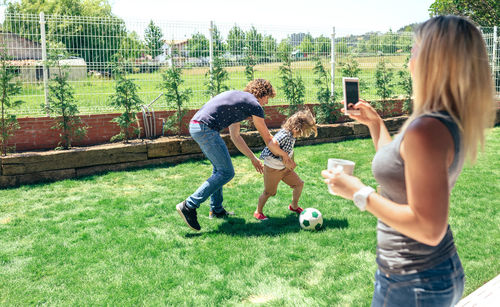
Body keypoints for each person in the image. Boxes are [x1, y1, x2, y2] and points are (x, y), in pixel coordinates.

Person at [321, 16, 495, 307]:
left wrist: (358, 192)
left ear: (432, 62)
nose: (408, 61)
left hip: (411, 282)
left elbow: (428, 227)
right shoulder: (445, 121)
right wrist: (375, 125)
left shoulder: (426, 129)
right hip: (432, 274)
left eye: (414, 51)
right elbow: (403, 169)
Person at [177, 79, 295, 231]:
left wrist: (253, 158)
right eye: (267, 98)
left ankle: (217, 209)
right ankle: (189, 205)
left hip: (197, 126)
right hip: (205, 129)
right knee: (226, 172)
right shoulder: (254, 104)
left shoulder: (239, 101)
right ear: (262, 94)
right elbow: (268, 138)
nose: (266, 103)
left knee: (219, 170)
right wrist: (284, 155)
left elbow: (235, 136)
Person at [254, 109, 317, 220]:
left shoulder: (292, 136)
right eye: (303, 131)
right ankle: (258, 212)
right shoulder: (285, 135)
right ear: (297, 127)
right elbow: (271, 145)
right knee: (269, 192)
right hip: (273, 169)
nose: (302, 134)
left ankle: (294, 206)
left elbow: (290, 150)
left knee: (299, 184)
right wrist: (285, 156)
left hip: (284, 168)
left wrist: (291, 161)